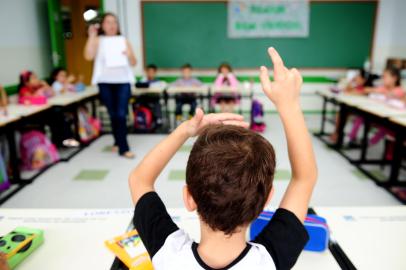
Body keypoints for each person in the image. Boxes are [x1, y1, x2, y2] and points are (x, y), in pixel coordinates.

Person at [129, 48, 317, 269]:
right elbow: (305, 178)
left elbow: (139, 179)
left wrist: (185, 130)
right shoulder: (270, 261)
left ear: (189, 197)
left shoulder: (167, 253)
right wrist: (289, 105)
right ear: (266, 201)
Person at [84, 12, 136, 158]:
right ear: (102, 25)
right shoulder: (98, 40)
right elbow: (88, 56)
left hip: (123, 82)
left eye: (114, 22)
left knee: (121, 114)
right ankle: (117, 141)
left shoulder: (123, 40)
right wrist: (91, 36)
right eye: (108, 22)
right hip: (105, 83)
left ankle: (124, 148)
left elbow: (134, 62)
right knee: (113, 114)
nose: (112, 25)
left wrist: (129, 54)